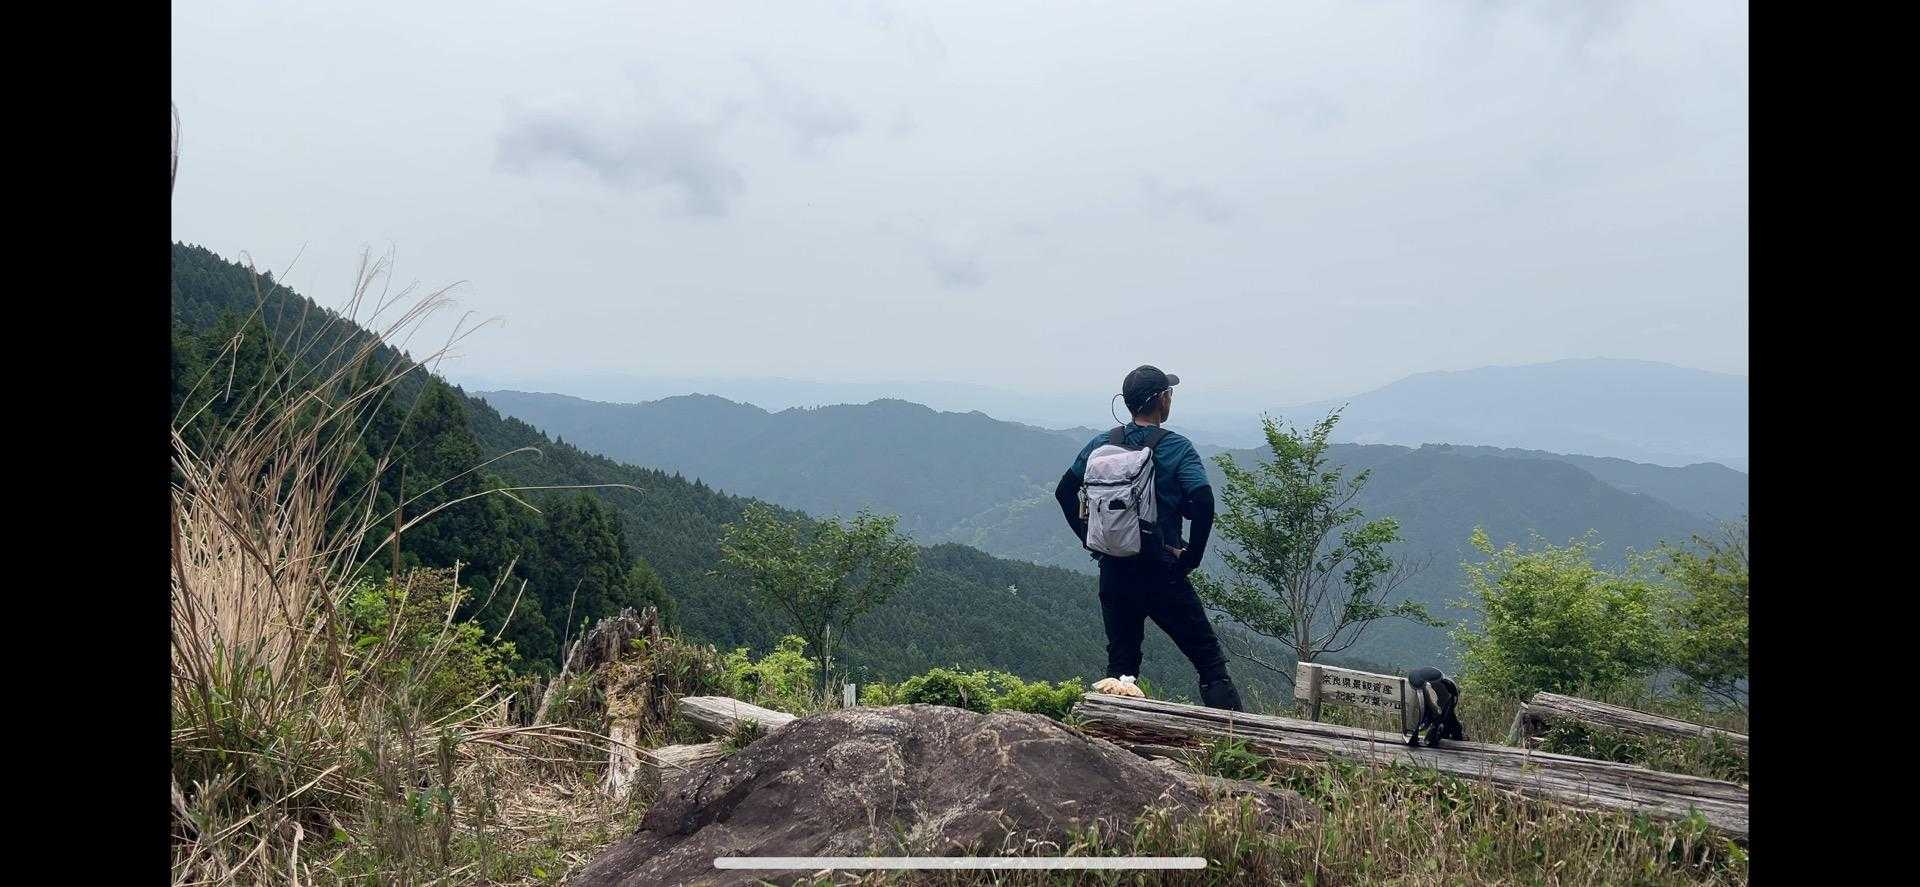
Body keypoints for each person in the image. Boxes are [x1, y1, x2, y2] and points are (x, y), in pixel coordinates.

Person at [1054, 365, 1245, 711]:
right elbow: (1203, 499)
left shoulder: (1102, 444)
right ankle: (1236, 738)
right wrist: (1192, 557)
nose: (1170, 398)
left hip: (1114, 570)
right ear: (1161, 400)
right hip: (1162, 570)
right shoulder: (1176, 447)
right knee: (1209, 663)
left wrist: (1089, 539)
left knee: (1121, 669)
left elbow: (1064, 491)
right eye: (1169, 393)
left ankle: (1111, 735)